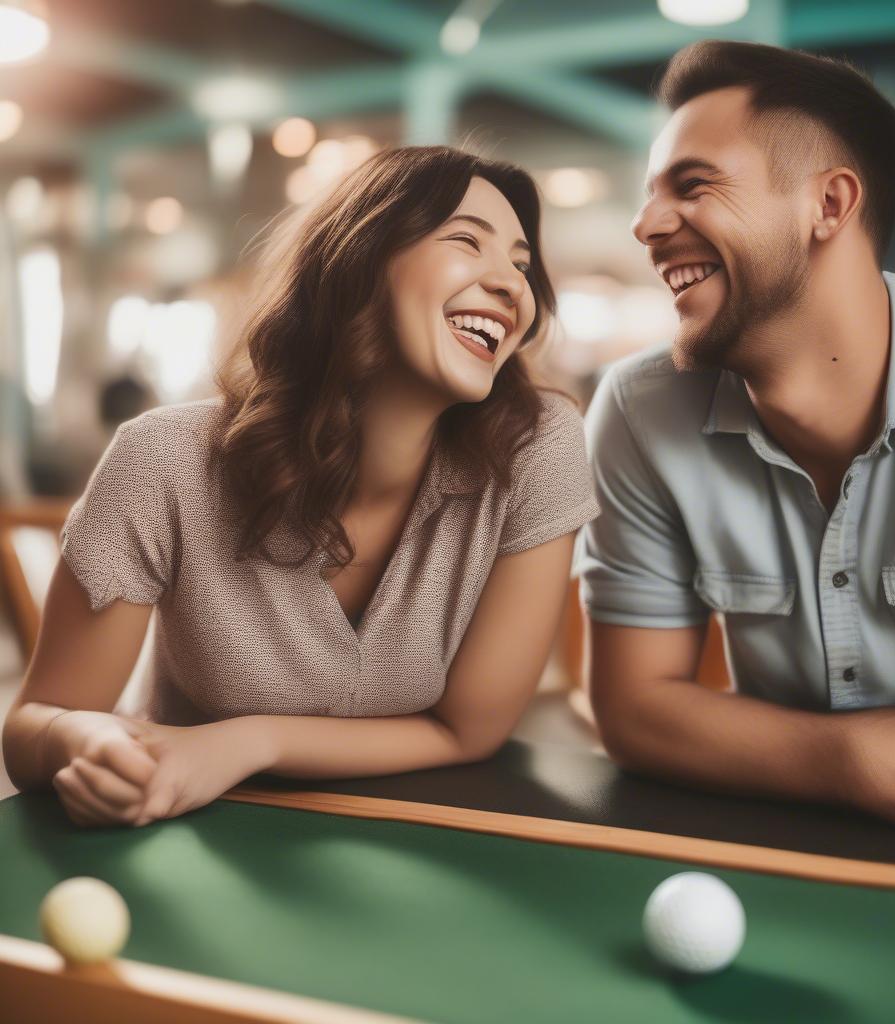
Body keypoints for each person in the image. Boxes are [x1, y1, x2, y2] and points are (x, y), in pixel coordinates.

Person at [3, 145, 600, 828]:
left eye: (522, 266)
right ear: (359, 261)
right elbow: (32, 730)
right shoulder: (162, 461)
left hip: (425, 842)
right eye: (468, 242)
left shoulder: (536, 447)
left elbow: (468, 731)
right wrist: (84, 740)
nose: (512, 286)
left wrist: (244, 742)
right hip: (188, 835)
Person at [575, 39, 895, 840]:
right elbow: (635, 713)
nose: (645, 226)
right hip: (779, 855)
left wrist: (748, 745)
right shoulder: (640, 411)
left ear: (829, 204)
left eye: (694, 185)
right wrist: (865, 766)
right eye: (651, 195)